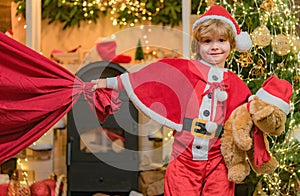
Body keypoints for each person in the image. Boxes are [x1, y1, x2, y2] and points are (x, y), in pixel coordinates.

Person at [91, 5, 252, 196]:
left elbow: (248, 113)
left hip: (218, 161)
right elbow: (147, 78)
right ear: (198, 45)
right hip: (184, 159)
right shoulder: (184, 70)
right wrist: (108, 82)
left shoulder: (235, 83)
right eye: (207, 41)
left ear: (232, 44)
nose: (215, 46)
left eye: (221, 40)